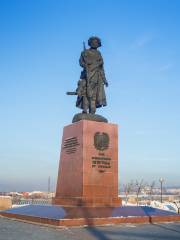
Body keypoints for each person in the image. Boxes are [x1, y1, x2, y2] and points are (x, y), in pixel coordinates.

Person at [76, 36, 108, 114]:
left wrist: (105, 79)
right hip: (88, 75)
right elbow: (81, 62)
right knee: (86, 92)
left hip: (97, 77)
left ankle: (92, 111)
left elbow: (101, 68)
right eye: (93, 42)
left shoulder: (99, 54)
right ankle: (85, 109)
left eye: (96, 42)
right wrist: (85, 65)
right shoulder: (85, 52)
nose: (95, 43)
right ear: (90, 43)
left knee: (94, 94)